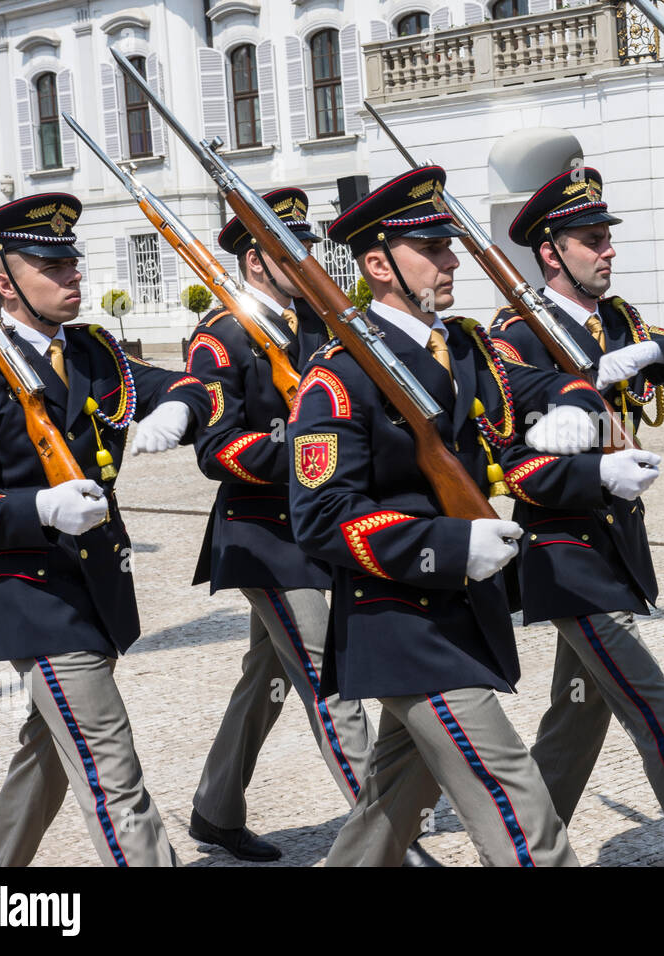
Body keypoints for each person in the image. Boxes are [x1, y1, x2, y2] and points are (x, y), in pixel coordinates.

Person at [288, 166, 609, 866]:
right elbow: (321, 519)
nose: (451, 259)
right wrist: (449, 547)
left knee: (388, 813)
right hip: (403, 623)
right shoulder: (339, 376)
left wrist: (573, 412)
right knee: (522, 816)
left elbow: (556, 377)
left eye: (447, 246)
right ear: (378, 265)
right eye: (431, 249)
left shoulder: (463, 348)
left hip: (463, 619)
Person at [490, 167, 664, 866]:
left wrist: (649, 353)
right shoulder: (515, 339)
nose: (608, 251)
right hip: (562, 550)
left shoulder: (618, 322)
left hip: (617, 543)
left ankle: (521, 850)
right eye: (591, 240)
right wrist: (594, 470)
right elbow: (511, 463)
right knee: (660, 717)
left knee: (578, 713)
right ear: (551, 252)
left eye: (608, 238)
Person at [0, 193, 209, 866]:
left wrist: (178, 410)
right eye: (52, 265)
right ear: (4, 283)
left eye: (72, 262)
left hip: (100, 590)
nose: (73, 275)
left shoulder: (94, 354)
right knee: (114, 770)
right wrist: (40, 509)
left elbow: (192, 382)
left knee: (49, 755)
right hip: (36, 596)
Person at [183, 188, 419, 863]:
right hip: (265, 537)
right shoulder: (221, 336)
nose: (310, 257)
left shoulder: (316, 325)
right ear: (256, 262)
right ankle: (387, 834)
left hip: (315, 529)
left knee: (268, 676)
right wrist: (307, 446)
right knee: (329, 678)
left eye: (310, 243)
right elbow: (216, 448)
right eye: (294, 247)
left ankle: (214, 807)